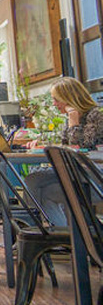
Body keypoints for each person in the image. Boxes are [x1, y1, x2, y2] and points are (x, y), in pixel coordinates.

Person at [24, 77, 103, 227]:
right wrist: (42, 144)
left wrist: (73, 119)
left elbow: (80, 146)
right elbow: (65, 145)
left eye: (57, 100)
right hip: (76, 172)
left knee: (44, 193)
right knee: (32, 180)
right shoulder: (71, 118)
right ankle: (65, 236)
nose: (54, 104)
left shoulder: (96, 115)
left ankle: (69, 237)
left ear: (70, 98)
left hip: (93, 176)